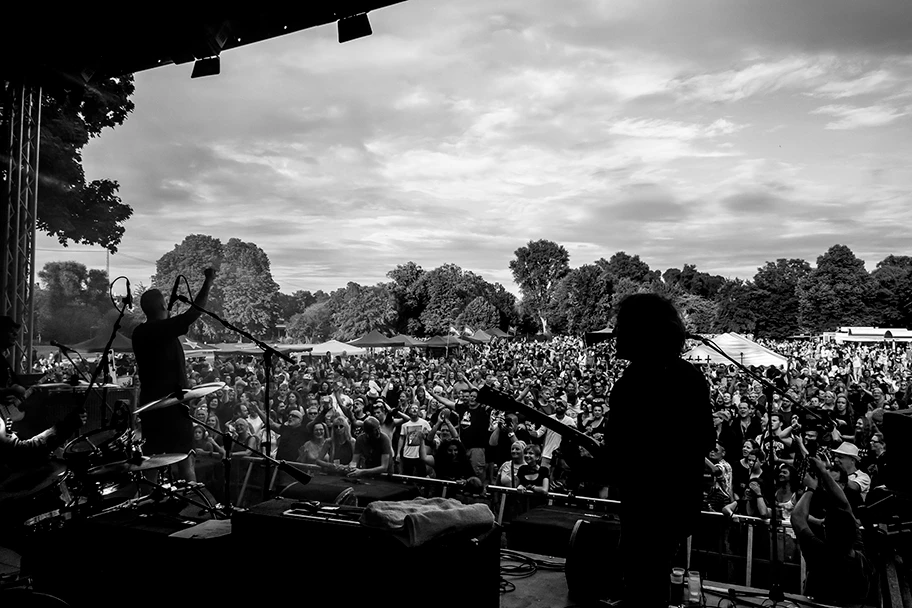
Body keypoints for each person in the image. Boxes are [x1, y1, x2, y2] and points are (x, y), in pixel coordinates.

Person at [606, 293, 715, 608]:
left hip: (649, 503)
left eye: (621, 326)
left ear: (641, 332)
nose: (615, 333)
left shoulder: (634, 382)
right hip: (675, 502)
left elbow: (622, 446)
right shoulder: (689, 376)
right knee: (653, 575)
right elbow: (705, 438)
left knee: (645, 577)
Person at [133, 267, 216, 481]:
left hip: (151, 406)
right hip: (172, 408)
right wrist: (208, 281)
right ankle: (193, 507)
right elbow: (194, 313)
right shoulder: (159, 330)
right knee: (184, 459)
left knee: (151, 460)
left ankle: (147, 506)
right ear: (162, 305)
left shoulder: (140, 333)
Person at [790, 456, 875, 606]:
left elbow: (797, 518)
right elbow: (845, 506)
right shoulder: (860, 556)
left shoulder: (820, 553)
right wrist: (823, 472)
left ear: (826, 532)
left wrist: (810, 489)